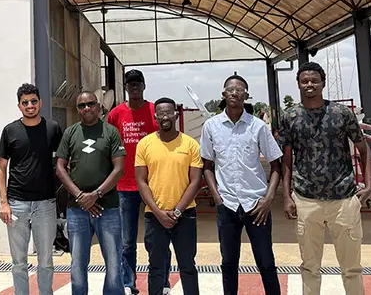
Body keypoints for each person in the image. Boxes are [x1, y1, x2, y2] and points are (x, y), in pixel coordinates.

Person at [279, 62, 371, 295]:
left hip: (343, 199)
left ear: (322, 83)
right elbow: (286, 161)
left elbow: (364, 150)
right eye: (304, 81)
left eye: (314, 80)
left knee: (351, 267)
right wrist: (287, 196)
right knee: (310, 267)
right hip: (306, 200)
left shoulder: (342, 114)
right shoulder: (290, 117)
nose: (309, 84)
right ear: (299, 84)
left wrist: (369, 185)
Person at [201, 76, 283, 295]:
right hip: (227, 205)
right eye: (230, 89)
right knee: (228, 263)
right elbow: (207, 165)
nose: (235, 93)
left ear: (246, 95)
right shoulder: (211, 126)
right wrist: (217, 198)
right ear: (224, 94)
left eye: (240, 90)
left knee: (266, 262)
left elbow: (276, 165)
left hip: (257, 206)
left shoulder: (257, 127)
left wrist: (268, 199)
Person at [106, 69, 171, 295]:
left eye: (138, 83)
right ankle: (128, 282)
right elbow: (109, 147)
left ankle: (163, 282)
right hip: (125, 186)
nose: (134, 87)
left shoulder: (155, 111)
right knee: (127, 241)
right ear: (126, 87)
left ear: (144, 85)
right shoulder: (115, 115)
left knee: (160, 237)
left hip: (155, 185)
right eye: (130, 83)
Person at [56, 91, 126, 295]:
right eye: (81, 106)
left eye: (90, 104)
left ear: (99, 107)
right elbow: (60, 168)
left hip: (108, 207)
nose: (86, 108)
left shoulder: (111, 132)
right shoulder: (70, 133)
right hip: (76, 209)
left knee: (113, 260)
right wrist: (80, 196)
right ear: (77, 109)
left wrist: (95, 195)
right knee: (77, 261)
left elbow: (119, 169)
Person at [0, 83, 63, 295]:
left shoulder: (52, 128)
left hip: (46, 203)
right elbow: (1, 168)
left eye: (33, 101)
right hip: (16, 204)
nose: (30, 105)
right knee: (19, 262)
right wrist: (4, 202)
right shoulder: (10, 130)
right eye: (25, 102)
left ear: (40, 103)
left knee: (46, 260)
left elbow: (63, 163)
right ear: (19, 106)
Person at [135, 97, 203, 295]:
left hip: (185, 215)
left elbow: (195, 181)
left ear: (176, 114)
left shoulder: (190, 144)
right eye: (161, 113)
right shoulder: (144, 144)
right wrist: (158, 212)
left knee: (188, 266)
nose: (165, 116)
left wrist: (177, 211)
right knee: (156, 267)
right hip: (154, 216)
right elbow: (141, 181)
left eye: (169, 112)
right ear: (155, 117)